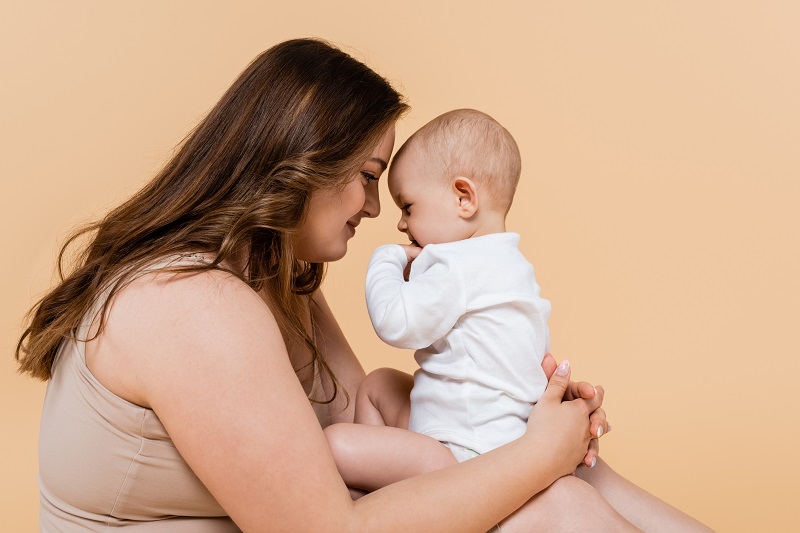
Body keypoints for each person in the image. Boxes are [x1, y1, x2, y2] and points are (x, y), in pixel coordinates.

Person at [15, 38, 709, 532]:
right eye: (370, 178)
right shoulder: (192, 305)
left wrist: (527, 416)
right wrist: (530, 456)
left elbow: (365, 421)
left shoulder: (269, 280)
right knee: (555, 502)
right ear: (304, 163)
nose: (376, 211)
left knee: (568, 483)